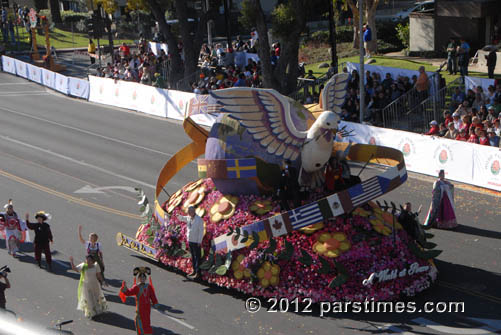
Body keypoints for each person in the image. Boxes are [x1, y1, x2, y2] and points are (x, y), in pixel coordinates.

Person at [120, 267, 159, 335]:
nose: (142, 279)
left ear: (145, 279)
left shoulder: (148, 287)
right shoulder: (136, 287)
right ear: (138, 279)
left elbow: (153, 296)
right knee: (139, 322)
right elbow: (129, 292)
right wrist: (125, 288)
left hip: (147, 309)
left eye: (144, 277)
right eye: (141, 277)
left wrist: (155, 302)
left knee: (147, 322)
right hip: (140, 309)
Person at [177, 206, 204, 279]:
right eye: (188, 212)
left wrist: (199, 241)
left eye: (190, 212)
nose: (188, 213)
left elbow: (201, 232)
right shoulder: (189, 218)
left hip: (196, 241)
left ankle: (198, 273)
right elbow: (183, 218)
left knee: (197, 257)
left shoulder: (199, 220)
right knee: (193, 256)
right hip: (190, 240)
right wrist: (178, 216)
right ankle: (194, 270)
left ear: (193, 212)